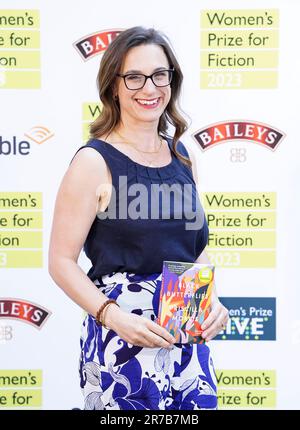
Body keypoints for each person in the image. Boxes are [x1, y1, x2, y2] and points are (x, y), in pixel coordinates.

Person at [48, 26, 229, 411]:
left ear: (171, 81)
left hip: (187, 337)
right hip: (123, 341)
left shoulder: (182, 156)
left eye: (159, 75)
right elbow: (61, 262)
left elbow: (194, 251)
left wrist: (213, 302)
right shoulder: (93, 161)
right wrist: (111, 317)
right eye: (134, 77)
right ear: (114, 85)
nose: (149, 88)